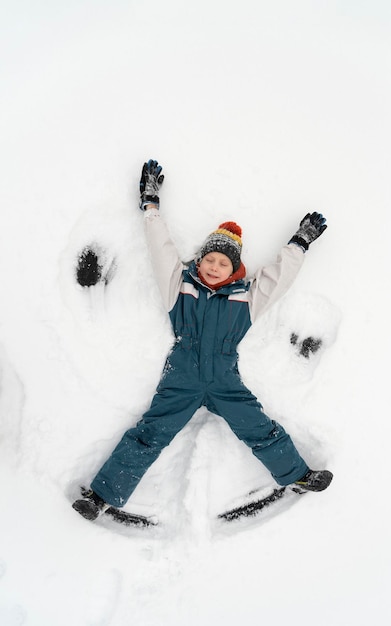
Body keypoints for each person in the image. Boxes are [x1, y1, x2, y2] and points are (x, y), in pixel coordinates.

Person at [72, 159, 333, 521]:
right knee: (150, 435)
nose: (214, 267)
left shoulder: (245, 299)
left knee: (259, 427)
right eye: (209, 259)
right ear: (200, 260)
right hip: (182, 379)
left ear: (235, 270)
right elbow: (160, 248)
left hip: (226, 381)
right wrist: (150, 204)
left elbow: (278, 278)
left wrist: (300, 242)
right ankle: (100, 496)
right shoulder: (179, 288)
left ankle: (297, 476)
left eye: (223, 263)